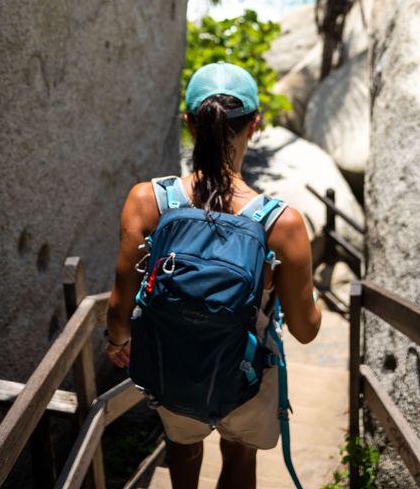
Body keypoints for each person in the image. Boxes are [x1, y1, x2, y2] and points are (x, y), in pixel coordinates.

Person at [106, 61, 321, 489]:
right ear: (253, 126)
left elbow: (118, 309)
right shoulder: (282, 222)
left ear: (189, 123)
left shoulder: (147, 200)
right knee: (239, 457)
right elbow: (305, 330)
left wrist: (117, 342)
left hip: (172, 366)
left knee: (183, 447)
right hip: (247, 373)